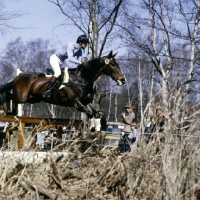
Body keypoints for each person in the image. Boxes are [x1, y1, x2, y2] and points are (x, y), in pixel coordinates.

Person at [43, 34, 89, 100]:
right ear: (80, 42)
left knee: (66, 73)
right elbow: (70, 58)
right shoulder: (71, 45)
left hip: (62, 61)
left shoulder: (80, 51)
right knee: (58, 73)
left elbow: (79, 62)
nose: (86, 45)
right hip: (55, 59)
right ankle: (48, 90)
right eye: (85, 43)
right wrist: (81, 63)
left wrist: (83, 65)